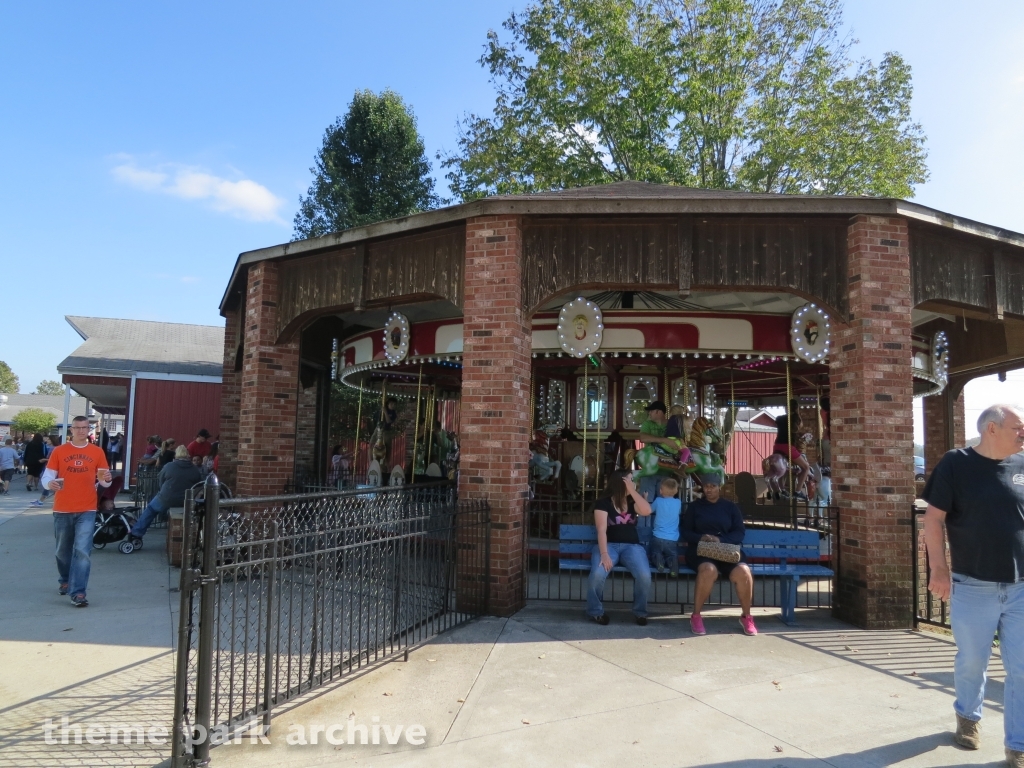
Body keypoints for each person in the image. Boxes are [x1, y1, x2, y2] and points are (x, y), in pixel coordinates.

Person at [923, 404, 1024, 760]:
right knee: (972, 661)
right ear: (992, 429)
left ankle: (1018, 746)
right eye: (1018, 428)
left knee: (1022, 668)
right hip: (973, 585)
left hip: (1021, 588)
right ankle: (968, 716)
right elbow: (933, 520)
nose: (1023, 434)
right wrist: (938, 569)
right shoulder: (956, 463)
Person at [40, 416, 111, 607]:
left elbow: (104, 480)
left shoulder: (97, 452)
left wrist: (108, 479)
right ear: (71, 430)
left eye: (85, 427)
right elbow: (47, 476)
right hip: (63, 508)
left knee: (82, 551)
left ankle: (78, 592)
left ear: (89, 429)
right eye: (78, 428)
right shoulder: (59, 451)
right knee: (62, 551)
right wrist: (49, 483)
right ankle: (65, 579)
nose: (81, 431)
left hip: (87, 508)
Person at [681, 472, 757, 636]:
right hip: (701, 551)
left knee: (744, 572)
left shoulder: (730, 507)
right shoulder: (695, 507)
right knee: (709, 570)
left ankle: (746, 616)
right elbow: (685, 532)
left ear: (719, 487)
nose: (709, 490)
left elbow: (739, 533)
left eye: (712, 486)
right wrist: (702, 537)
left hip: (726, 550)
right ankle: (696, 616)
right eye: (706, 486)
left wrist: (720, 539)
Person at [586, 470, 653, 626]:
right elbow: (601, 529)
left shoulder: (632, 501)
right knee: (597, 573)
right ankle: (595, 612)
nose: (633, 482)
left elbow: (647, 510)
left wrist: (632, 492)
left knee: (644, 575)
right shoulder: (603, 503)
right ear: (621, 481)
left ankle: (640, 612)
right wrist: (604, 554)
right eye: (630, 480)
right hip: (609, 546)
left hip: (632, 547)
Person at [129, 445, 203, 545]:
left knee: (150, 510)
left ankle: (136, 533)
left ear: (176, 455)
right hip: (185, 500)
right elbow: (198, 485)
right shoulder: (194, 469)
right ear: (187, 455)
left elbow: (161, 481)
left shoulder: (169, 466)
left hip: (166, 497)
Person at [638, 401, 675, 501]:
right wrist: (664, 440)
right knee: (646, 501)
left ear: (658, 412)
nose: (649, 413)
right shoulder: (647, 424)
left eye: (651, 411)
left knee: (664, 502)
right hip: (649, 468)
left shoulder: (671, 425)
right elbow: (643, 438)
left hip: (666, 469)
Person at [773, 405, 810, 499]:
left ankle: (782, 490)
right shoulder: (795, 418)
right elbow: (798, 428)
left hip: (777, 445)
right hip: (787, 446)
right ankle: (798, 491)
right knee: (806, 467)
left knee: (783, 468)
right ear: (796, 408)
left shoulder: (779, 418)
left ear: (786, 408)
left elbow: (777, 424)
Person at [649, 477, 683, 576]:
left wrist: (645, 499)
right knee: (672, 554)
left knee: (655, 552)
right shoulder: (678, 502)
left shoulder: (658, 501)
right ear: (676, 490)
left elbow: (649, 510)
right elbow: (679, 512)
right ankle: (673, 566)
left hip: (657, 537)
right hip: (672, 539)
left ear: (661, 491)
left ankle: (659, 562)